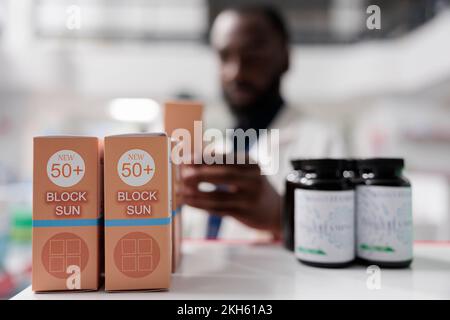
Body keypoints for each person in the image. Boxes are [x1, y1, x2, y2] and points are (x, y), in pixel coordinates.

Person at [180, 5, 345, 240]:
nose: (235, 72)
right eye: (224, 56)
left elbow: (341, 238)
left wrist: (280, 215)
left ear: (285, 58)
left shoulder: (321, 142)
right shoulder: (215, 147)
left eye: (253, 56)